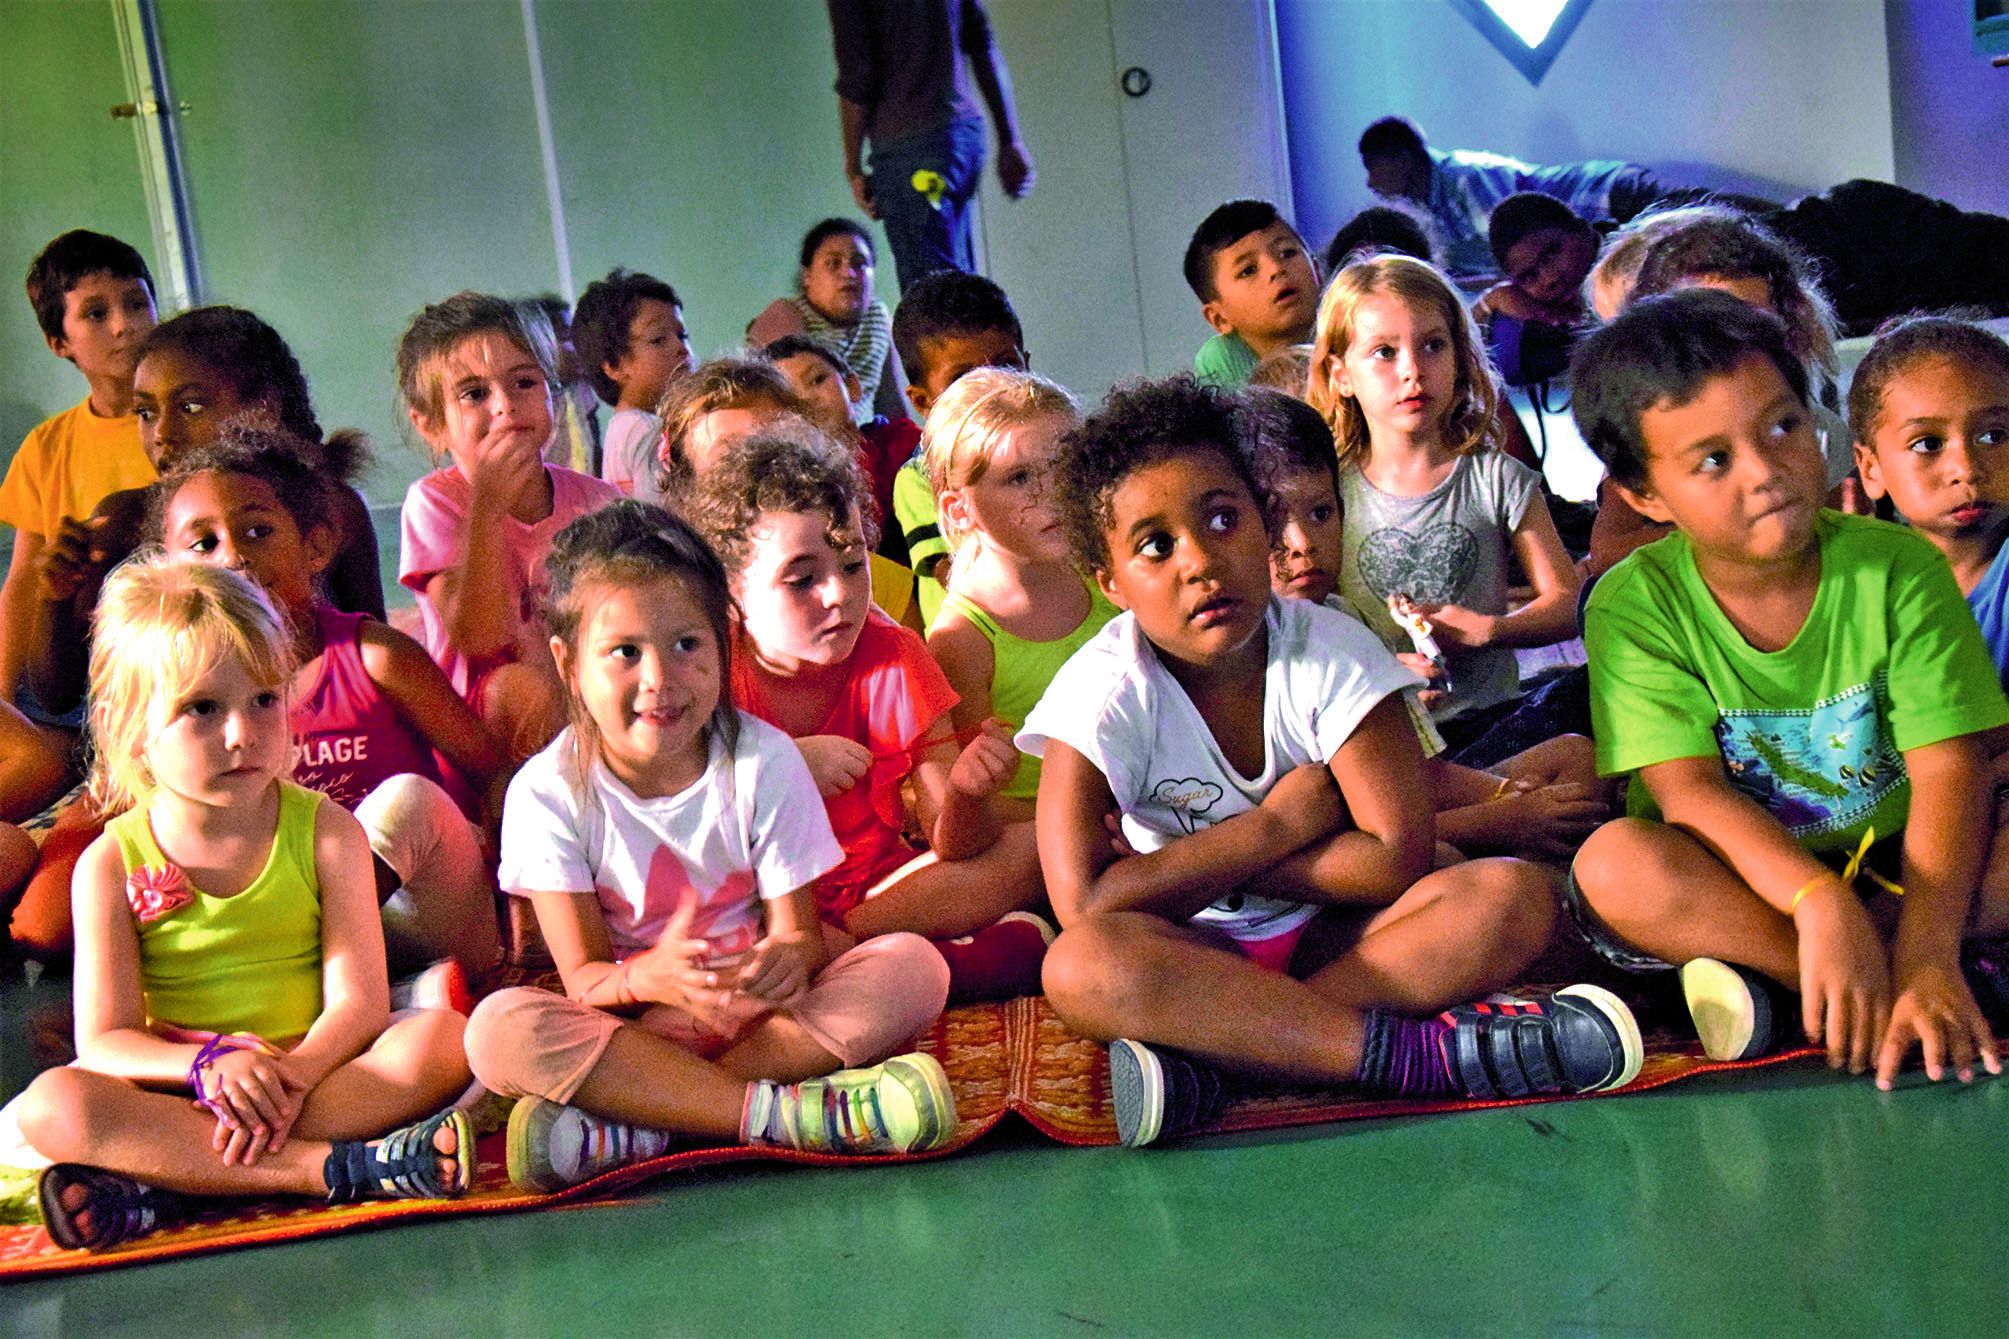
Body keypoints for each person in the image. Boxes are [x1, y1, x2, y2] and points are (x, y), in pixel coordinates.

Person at [1021, 375, 1639, 1147]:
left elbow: (1395, 858)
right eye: (1156, 545)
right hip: (1194, 947)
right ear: (1110, 583)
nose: (1200, 561)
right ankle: (1406, 1056)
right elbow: (1083, 906)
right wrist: (1275, 825)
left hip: (1337, 932)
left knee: (1507, 895)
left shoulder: (1333, 651)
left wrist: (1182, 862)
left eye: (1222, 518)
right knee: (1080, 966)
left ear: (1263, 524)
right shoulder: (1100, 693)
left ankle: (1231, 1059)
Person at [1567, 290, 2009, 1088]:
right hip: (1742, 888)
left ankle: (1861, 981)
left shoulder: (1895, 566)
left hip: (1913, 869)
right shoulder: (1631, 607)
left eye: (1781, 426)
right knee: (1614, 865)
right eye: (1713, 459)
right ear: (1643, 495)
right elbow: (1689, 794)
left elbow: (1949, 769)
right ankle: (1867, 981)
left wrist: (1925, 943)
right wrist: (1815, 901)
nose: (1766, 470)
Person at [462, 502, 953, 1189]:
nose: (660, 677)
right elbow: (585, 981)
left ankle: (644, 1123)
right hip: (641, 1029)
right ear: (569, 664)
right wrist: (652, 978)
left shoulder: (765, 760)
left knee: (913, 965)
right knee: (498, 1030)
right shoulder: (546, 792)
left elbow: (799, 937)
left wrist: (777, 965)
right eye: (624, 652)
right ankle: (788, 1117)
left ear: (725, 642)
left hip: (763, 1020)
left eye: (687, 644)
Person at [0, 557, 473, 1251]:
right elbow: (106, 1039)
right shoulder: (108, 862)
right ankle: (332, 1169)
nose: (241, 732)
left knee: (443, 1039)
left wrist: (292, 1075)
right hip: (186, 1087)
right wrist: (207, 1067)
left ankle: (167, 1181)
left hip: (314, 1075)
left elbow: (360, 1001)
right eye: (202, 708)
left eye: (263, 700)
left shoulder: (326, 831)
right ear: (132, 729)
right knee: (53, 1105)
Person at [691, 427, 1043, 1000]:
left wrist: (968, 793)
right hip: (755, 902)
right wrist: (779, 766)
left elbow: (951, 844)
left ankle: (847, 949)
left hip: (876, 894)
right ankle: (934, 964)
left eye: (854, 564)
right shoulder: (705, 664)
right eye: (802, 579)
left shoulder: (897, 654)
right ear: (731, 589)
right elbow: (670, 820)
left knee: (1034, 845)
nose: (838, 595)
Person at [154, 428, 504, 979]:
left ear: (316, 547)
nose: (234, 557)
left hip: (412, 915)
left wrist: (530, 912)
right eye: (205, 544)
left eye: (257, 531)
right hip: (290, 937)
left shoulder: (373, 656)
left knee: (408, 802)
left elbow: (494, 772)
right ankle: (399, 1007)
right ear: (169, 571)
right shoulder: (174, 694)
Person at [1250, 388, 1605, 865]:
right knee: (1459, 865)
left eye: (1320, 514)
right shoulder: (1255, 651)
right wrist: (1506, 817)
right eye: (1272, 523)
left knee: (1575, 759)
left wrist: (1507, 795)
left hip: (1415, 805)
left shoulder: (1342, 619)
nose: (1302, 543)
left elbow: (1425, 775)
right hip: (1353, 853)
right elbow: (1374, 832)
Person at [1306, 254, 1581, 751]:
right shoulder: (1326, 497)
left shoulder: (1496, 478)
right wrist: (1381, 673)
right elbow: (1301, 621)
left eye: (1433, 345)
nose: (1413, 370)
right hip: (1380, 738)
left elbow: (1566, 606)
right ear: (1340, 374)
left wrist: (1489, 631)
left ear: (1460, 357)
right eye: (1384, 352)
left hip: (1494, 720)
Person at [911, 367, 1115, 990]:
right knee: (1028, 856)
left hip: (1139, 794)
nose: (1048, 492)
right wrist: (1075, 816)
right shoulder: (962, 636)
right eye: (1020, 478)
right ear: (959, 508)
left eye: (1062, 466)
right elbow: (971, 808)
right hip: (1039, 831)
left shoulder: (1107, 575)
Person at [395, 291, 622, 764]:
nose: (505, 406)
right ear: (431, 425)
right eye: (474, 393)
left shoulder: (599, 501)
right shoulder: (435, 502)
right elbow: (478, 638)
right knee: (521, 689)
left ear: (550, 396)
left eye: (523, 382)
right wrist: (487, 510)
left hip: (595, 706)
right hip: (491, 747)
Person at [0, 231, 157, 804]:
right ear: (57, 342)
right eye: (96, 313)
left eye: (137, 303)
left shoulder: (179, 425)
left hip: (154, 661)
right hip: (68, 671)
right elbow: (22, 581)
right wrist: (7, 700)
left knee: (55, 766)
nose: (123, 325)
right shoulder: (46, 447)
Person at [826, 0, 1035, 288]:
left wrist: (852, 166)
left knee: (931, 296)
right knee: (959, 282)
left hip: (909, 149)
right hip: (963, 140)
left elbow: (858, 76)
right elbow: (981, 42)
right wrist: (1010, 140)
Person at [1849, 316, 2009, 686]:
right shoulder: (1857, 586)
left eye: (1993, 435)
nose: (1965, 469)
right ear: (1871, 469)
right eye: (1928, 444)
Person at [1357, 116, 1685, 280]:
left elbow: (1508, 248)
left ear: (1401, 159)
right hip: (1600, 219)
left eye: (1372, 167)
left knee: (1711, 222)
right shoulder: (1433, 205)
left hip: (1608, 195)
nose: (1370, 182)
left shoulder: (1465, 177)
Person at [887, 269, 1030, 625]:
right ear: (923, 402)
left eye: (1007, 366)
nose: (993, 388)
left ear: (1029, 365)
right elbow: (950, 570)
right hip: (984, 650)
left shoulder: (1056, 451)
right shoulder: (921, 478)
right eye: (964, 379)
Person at [762, 334, 916, 550]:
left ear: (852, 386)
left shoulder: (903, 443)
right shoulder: (790, 491)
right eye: (789, 398)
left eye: (817, 380)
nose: (806, 399)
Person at [746, 219, 907, 422]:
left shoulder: (878, 317)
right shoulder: (785, 314)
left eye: (859, 263)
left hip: (864, 440)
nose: (848, 273)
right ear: (807, 276)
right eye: (833, 263)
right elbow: (788, 413)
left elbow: (892, 404)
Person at [569, 270, 692, 502]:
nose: (681, 348)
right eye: (658, 339)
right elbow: (663, 517)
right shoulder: (648, 430)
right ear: (614, 366)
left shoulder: (622, 429)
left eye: (682, 335)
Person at [1182, 200, 1321, 391]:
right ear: (1219, 318)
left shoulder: (1354, 323)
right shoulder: (1222, 359)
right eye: (1248, 270)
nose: (1276, 269)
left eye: (1287, 253)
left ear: (1317, 269)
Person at [1472, 193, 1596, 388]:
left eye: (1552, 254)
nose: (1550, 279)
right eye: (1529, 276)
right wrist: (1488, 302)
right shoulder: (1542, 316)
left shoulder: (1636, 264)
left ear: (1583, 231)